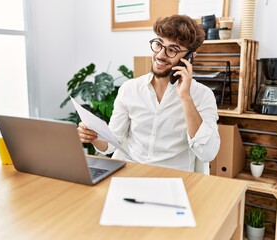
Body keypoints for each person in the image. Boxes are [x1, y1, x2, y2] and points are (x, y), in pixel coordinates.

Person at [77, 14, 220, 172]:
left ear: (189, 57)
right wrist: (93, 136)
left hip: (175, 179)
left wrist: (185, 97)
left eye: (172, 50)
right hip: (132, 174)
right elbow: (111, 144)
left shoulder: (203, 95)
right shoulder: (130, 89)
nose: (160, 55)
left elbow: (207, 153)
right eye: (158, 44)